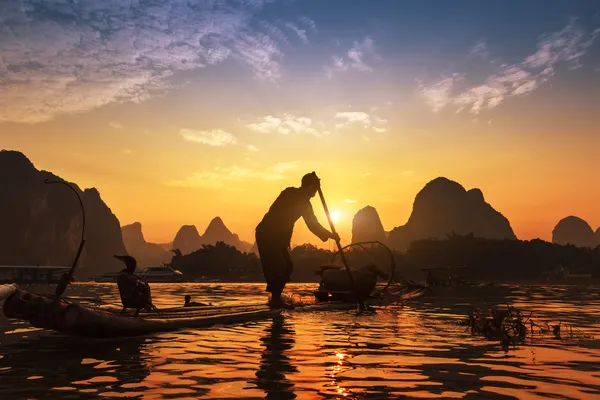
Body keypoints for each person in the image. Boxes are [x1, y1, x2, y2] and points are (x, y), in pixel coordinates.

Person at [255, 171, 339, 309]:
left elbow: (313, 225)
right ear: (309, 186)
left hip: (280, 237)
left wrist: (330, 235)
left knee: (288, 265)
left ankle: (276, 297)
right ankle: (276, 299)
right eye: (315, 188)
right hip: (267, 233)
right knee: (279, 265)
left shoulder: (306, 205)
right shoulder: (289, 193)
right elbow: (279, 211)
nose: (316, 192)